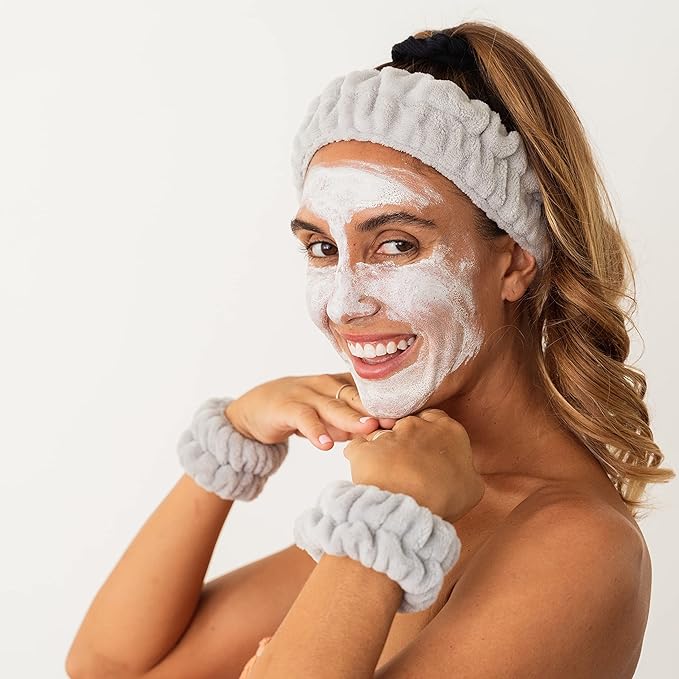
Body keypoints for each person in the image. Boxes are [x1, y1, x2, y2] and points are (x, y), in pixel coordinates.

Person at [66, 21, 674, 679]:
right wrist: (234, 438)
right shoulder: (422, 496)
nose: (343, 304)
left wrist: (388, 513)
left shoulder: (577, 543)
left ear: (514, 262)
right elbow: (106, 667)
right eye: (322, 248)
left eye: (395, 244)